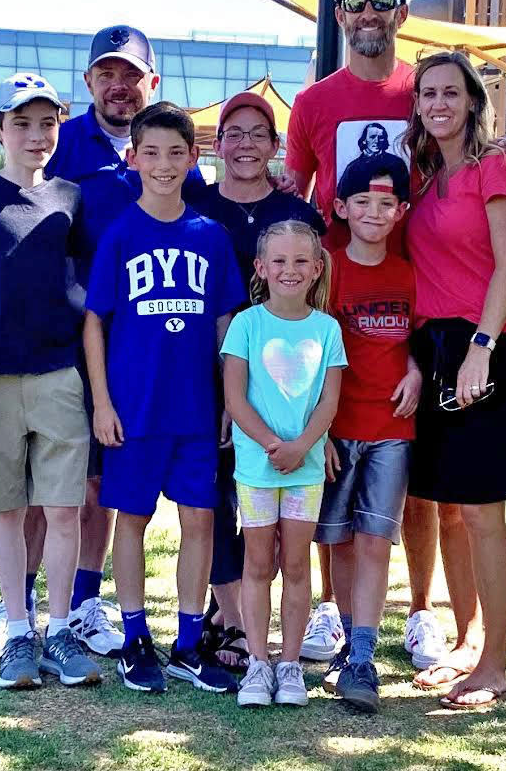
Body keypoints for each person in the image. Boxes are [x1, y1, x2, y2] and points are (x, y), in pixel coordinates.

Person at [286, 0, 506, 675]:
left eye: (382, 1)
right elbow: (298, 198)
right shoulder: (314, 102)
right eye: (354, 3)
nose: (368, 14)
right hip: (343, 303)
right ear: (339, 17)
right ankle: (333, 611)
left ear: (398, 12)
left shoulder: (424, 99)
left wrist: (503, 148)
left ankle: (424, 613)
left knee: (425, 482)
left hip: (419, 308)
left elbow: (486, 197)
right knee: (339, 464)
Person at [0, 24, 206, 663]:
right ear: (89, 82)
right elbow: (17, 188)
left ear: (152, 81)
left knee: (92, 486)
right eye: (107, 74)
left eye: (132, 74)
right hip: (73, 339)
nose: (119, 86)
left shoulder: (170, 143)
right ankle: (17, 610)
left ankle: (84, 605)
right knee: (48, 490)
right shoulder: (64, 144)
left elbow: (208, 211)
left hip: (147, 341)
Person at [0, 73, 101, 691]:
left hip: (59, 373)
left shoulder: (71, 198)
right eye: (22, 124)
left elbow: (84, 287)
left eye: (47, 123)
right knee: (7, 510)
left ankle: (59, 630)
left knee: (64, 509)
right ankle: (17, 629)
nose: (37, 136)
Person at [82, 104, 244, 694]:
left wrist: (231, 396)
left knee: (200, 518)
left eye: (176, 152)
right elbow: (95, 321)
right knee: (133, 517)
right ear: (133, 158)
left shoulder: (211, 237)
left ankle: (186, 639)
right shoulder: (122, 234)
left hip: (196, 410)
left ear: (194, 157)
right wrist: (102, 401)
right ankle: (134, 636)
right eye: (150, 152)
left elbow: (227, 322)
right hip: (134, 409)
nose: (164, 164)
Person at [402, 51, 506, 710]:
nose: (438, 103)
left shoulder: (498, 165)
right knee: (448, 506)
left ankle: (495, 663)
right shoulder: (425, 176)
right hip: (434, 347)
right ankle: (464, 642)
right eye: (427, 93)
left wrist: (481, 348)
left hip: (487, 345)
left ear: (473, 101)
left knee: (483, 511)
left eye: (451, 92)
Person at [189, 91, 327, 672]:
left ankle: (273, 625)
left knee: (281, 503)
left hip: (286, 390)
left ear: (276, 145)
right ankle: (234, 620)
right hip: (203, 369)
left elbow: (325, 305)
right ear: (217, 145)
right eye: (234, 133)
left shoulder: (297, 213)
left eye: (258, 134)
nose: (246, 144)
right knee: (216, 496)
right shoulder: (193, 204)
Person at [221, 221, 347, 708]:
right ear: (260, 268)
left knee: (296, 565)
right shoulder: (246, 325)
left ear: (317, 269)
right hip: (257, 469)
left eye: (300, 262)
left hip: (306, 471)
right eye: (278, 261)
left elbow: (329, 403)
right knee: (258, 563)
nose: (289, 270)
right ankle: (258, 662)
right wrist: (275, 444)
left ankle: (290, 665)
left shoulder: (327, 329)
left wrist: (302, 447)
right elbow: (235, 397)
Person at [315, 161, 420, 714]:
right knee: (342, 541)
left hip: (391, 431)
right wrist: (319, 429)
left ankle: (362, 655)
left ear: (402, 211)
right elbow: (311, 348)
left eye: (386, 204)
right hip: (337, 428)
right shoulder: (326, 270)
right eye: (362, 203)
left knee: (377, 540)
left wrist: (418, 372)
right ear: (340, 209)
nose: (374, 214)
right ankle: (345, 639)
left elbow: (422, 336)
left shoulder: (408, 272)